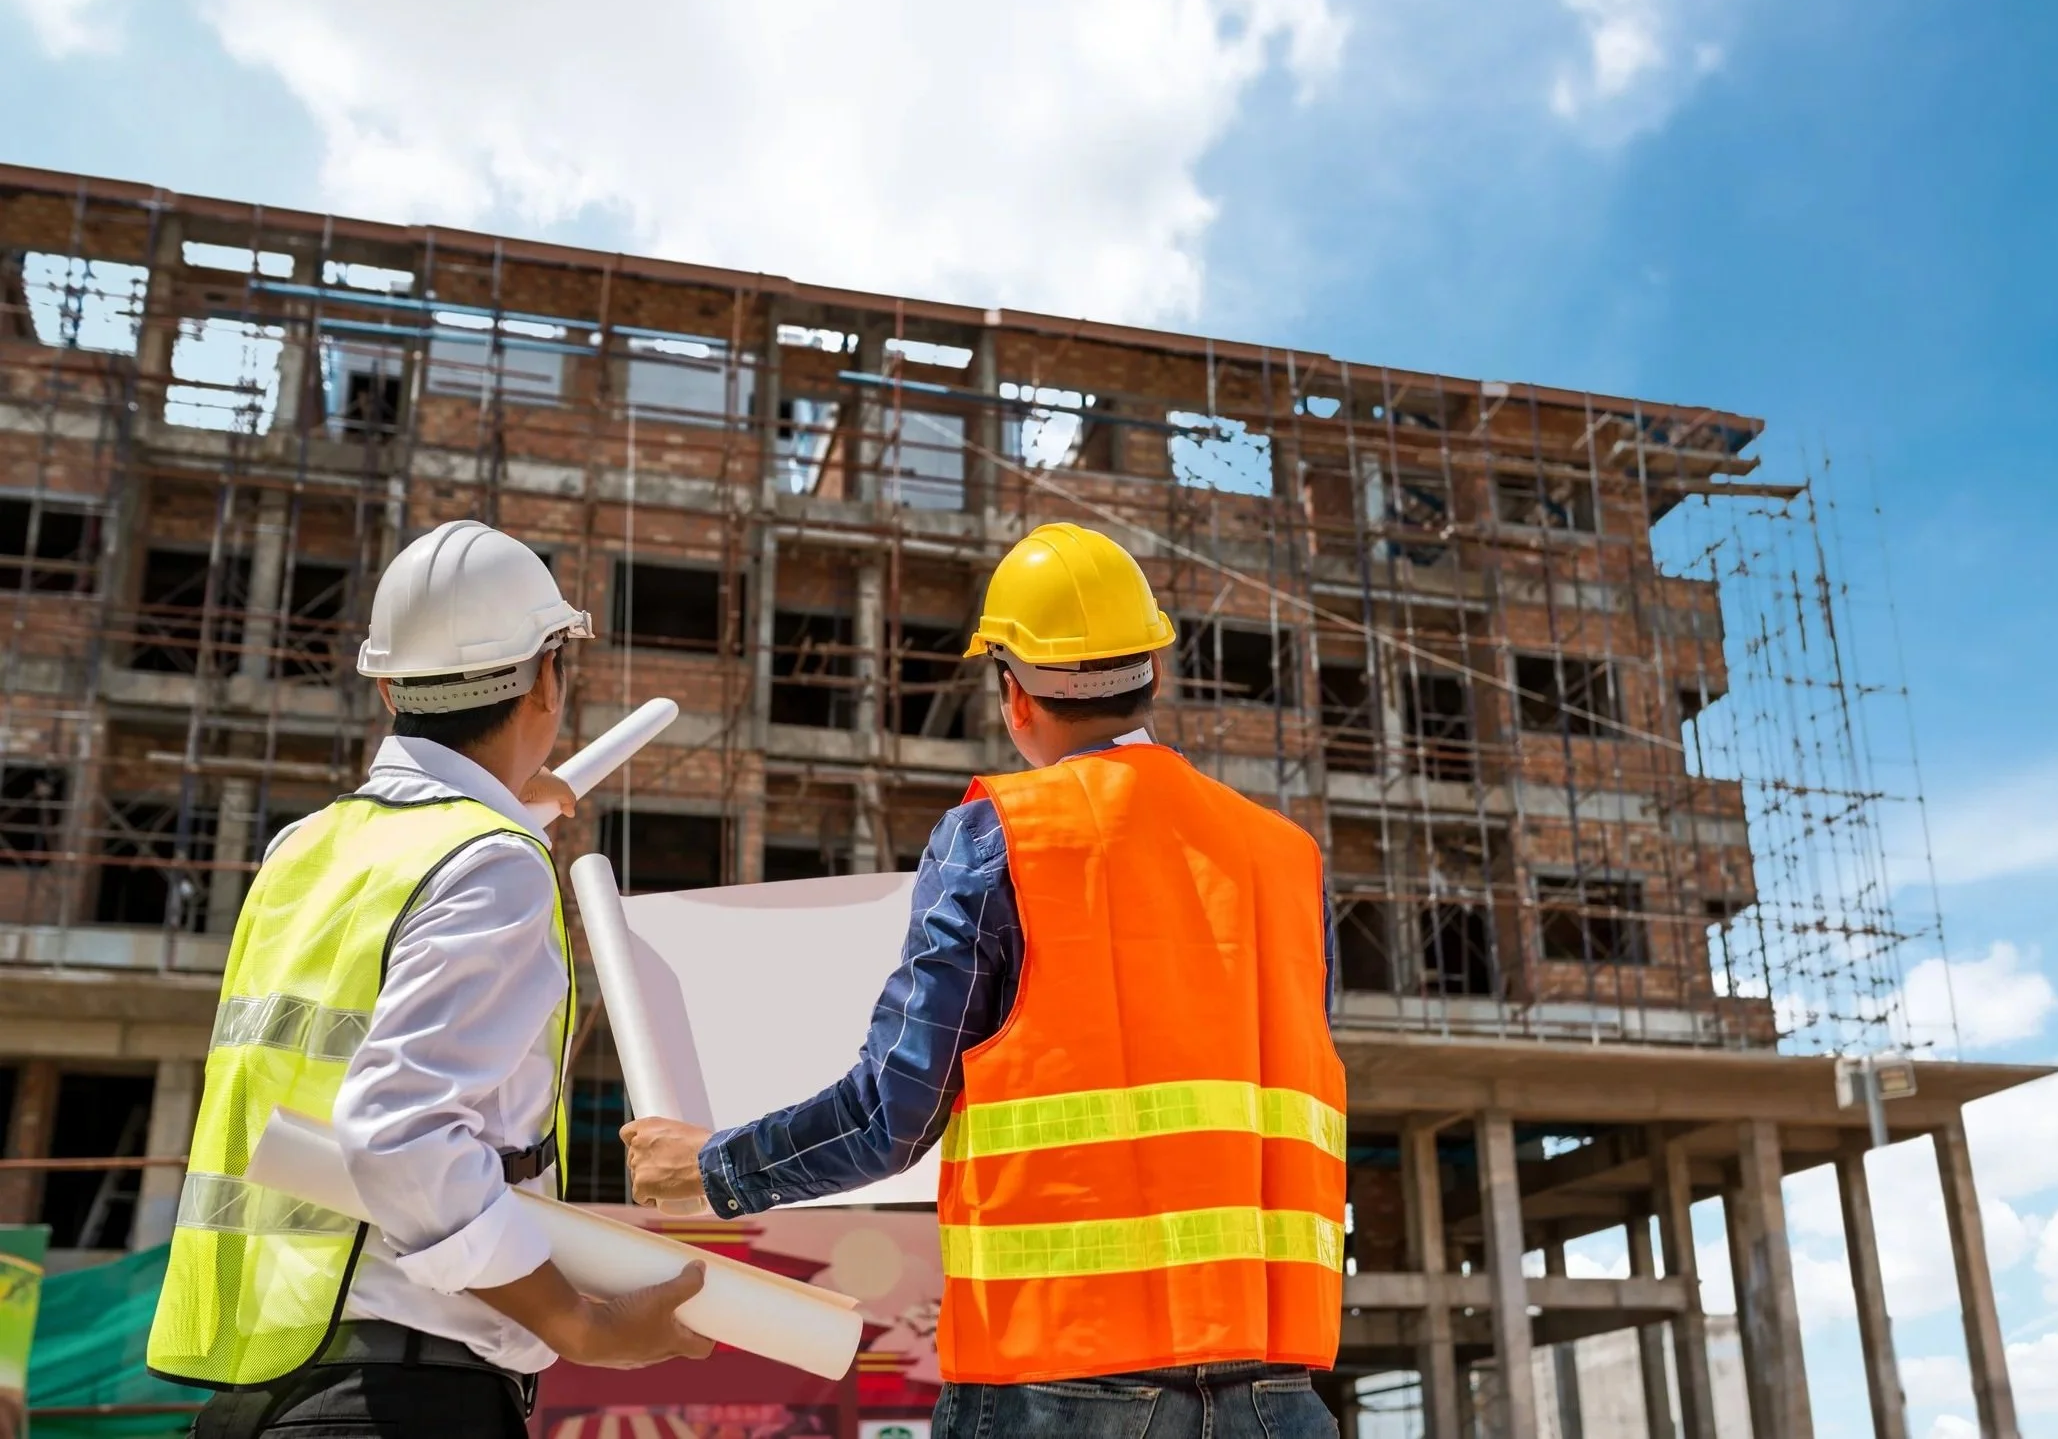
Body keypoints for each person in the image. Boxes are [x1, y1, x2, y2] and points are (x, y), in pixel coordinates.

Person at [622, 522, 1346, 1438]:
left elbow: (893, 1115)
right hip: (1280, 1396)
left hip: (1060, 1390)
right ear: (1153, 671)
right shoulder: (1287, 860)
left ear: (1013, 695)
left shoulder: (1003, 835)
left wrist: (712, 1165)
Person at [149, 521, 711, 1439]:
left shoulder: (307, 845)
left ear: (385, 685)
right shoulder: (492, 863)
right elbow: (402, 1135)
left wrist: (510, 811)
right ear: (544, 678)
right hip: (403, 1397)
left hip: (269, 1382)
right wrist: (582, 1324)